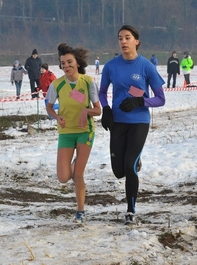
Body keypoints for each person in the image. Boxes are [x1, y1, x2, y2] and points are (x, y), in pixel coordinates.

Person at [99, 25, 165, 225]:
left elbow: (161, 99)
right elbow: (102, 92)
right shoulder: (111, 66)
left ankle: (131, 210)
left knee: (129, 167)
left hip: (139, 122)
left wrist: (140, 101)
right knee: (119, 171)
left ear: (136, 41)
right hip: (118, 122)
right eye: (120, 38)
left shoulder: (146, 66)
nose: (123, 42)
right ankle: (135, 162)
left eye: (127, 38)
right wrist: (106, 109)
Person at [46, 43, 101, 224]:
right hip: (66, 132)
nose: (66, 66)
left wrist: (86, 111)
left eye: (69, 62)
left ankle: (80, 211)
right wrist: (56, 116)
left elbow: (98, 110)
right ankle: (77, 160)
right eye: (63, 63)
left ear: (77, 63)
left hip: (85, 131)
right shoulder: (57, 85)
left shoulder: (88, 82)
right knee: (63, 178)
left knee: (78, 175)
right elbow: (48, 106)